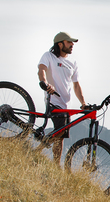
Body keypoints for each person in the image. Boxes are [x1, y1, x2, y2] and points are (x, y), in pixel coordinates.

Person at [37, 32, 87, 163]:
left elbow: (76, 85)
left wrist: (83, 102)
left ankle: (54, 164)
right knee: (59, 132)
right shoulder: (49, 56)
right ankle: (38, 152)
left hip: (66, 105)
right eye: (69, 42)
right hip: (53, 101)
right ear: (60, 44)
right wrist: (44, 83)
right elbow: (41, 69)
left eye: (72, 42)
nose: (72, 44)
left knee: (60, 136)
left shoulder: (72, 62)